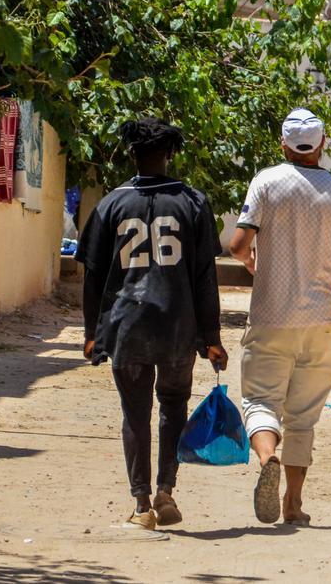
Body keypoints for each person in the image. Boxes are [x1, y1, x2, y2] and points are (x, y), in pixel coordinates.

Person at [76, 118, 227, 530]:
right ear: (170, 155)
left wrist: (92, 333)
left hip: (128, 326)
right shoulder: (193, 202)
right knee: (173, 406)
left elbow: (92, 276)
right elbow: (204, 275)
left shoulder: (109, 204)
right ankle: (166, 490)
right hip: (178, 325)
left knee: (135, 412)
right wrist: (211, 337)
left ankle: (141, 504)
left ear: (131, 154)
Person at [228, 108, 331, 525]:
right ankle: (293, 505)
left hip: (271, 315)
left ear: (283, 144)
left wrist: (251, 261)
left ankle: (267, 456)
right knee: (303, 417)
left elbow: (236, 244)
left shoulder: (266, 182)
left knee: (260, 401)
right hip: (323, 319)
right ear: (321, 144)